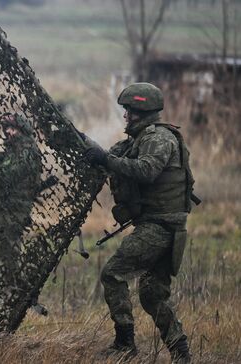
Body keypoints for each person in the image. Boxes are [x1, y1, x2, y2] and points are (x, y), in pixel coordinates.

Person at [84, 82, 195, 363]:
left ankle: (125, 344)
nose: (125, 117)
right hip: (162, 226)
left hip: (159, 227)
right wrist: (94, 152)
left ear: (141, 111)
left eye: (129, 112)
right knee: (152, 295)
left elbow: (146, 170)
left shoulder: (158, 139)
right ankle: (181, 353)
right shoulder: (139, 139)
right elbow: (113, 156)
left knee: (113, 274)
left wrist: (106, 160)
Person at [0, 113, 42, 282]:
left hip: (16, 208)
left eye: (12, 128)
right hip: (4, 207)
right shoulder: (12, 152)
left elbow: (7, 175)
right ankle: (7, 286)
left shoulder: (28, 151)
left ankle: (14, 287)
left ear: (22, 130)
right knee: (3, 250)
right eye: (6, 129)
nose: (8, 132)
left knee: (11, 250)